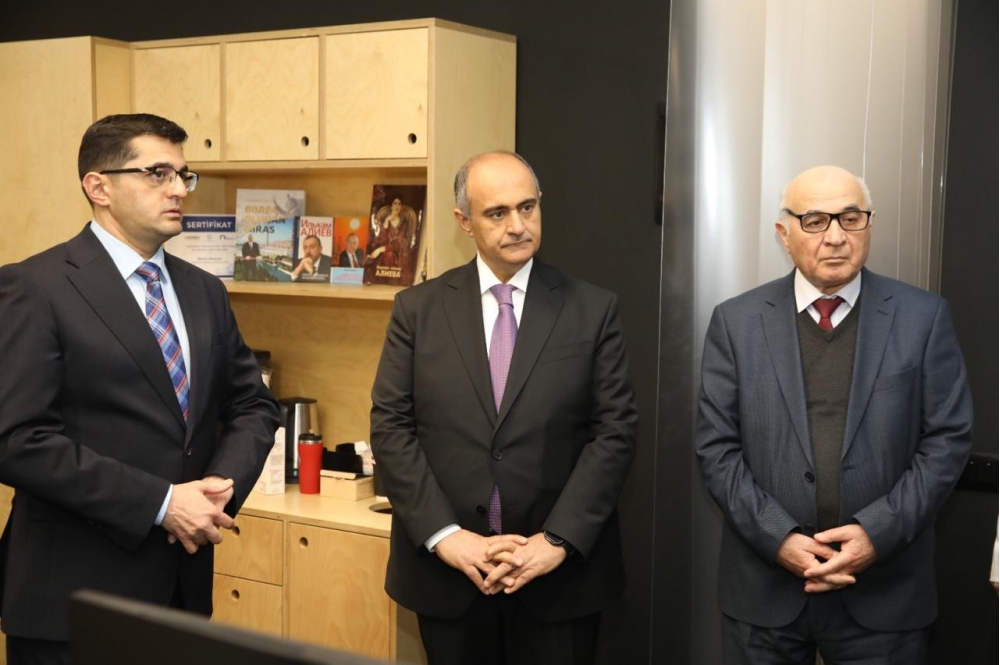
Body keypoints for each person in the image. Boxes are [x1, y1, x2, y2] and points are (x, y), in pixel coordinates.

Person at [0, 113, 280, 664]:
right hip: (73, 601)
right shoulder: (36, 286)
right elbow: (16, 440)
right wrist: (162, 502)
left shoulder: (204, 290)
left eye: (183, 174)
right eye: (157, 173)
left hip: (180, 592)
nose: (178, 189)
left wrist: (220, 489)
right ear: (98, 187)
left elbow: (252, 403)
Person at [694, 165, 973, 664]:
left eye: (850, 218)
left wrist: (876, 534)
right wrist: (779, 538)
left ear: (870, 224)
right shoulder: (736, 322)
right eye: (815, 221)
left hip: (885, 593)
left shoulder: (923, 318)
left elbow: (946, 442)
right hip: (765, 593)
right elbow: (716, 449)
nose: (836, 236)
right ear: (784, 234)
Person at [370, 151, 638, 665]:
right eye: (497, 213)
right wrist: (447, 537)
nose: (518, 225)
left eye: (527, 207)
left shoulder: (593, 309)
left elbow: (615, 432)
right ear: (463, 222)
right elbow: (391, 428)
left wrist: (555, 541)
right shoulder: (417, 310)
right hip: (449, 576)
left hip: (559, 580)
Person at [365, 197, 417, 284]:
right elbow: (381, 241)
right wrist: (386, 223)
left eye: (399, 204)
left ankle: (392, 282)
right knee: (387, 256)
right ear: (391, 206)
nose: (397, 206)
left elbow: (399, 243)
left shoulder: (404, 224)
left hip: (399, 255)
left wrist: (381, 249)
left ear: (402, 207)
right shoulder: (384, 221)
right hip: (383, 256)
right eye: (395, 203)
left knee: (389, 255)